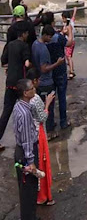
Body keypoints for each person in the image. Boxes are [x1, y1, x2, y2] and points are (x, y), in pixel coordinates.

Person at [26, 68, 56, 206]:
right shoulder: (36, 99)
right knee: (42, 163)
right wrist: (47, 104)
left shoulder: (23, 100)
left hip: (30, 134)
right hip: (39, 133)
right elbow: (43, 117)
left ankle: (38, 194)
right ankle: (44, 195)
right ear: (34, 81)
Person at [0, 21, 31, 151]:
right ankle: (25, 138)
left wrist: (11, 66)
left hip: (9, 83)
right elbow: (27, 63)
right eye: (27, 33)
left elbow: (3, 62)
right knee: (25, 110)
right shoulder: (24, 46)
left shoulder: (10, 45)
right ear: (23, 34)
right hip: (21, 84)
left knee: (6, 112)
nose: (28, 35)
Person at [12, 78, 40, 220]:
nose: (34, 90)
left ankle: (29, 217)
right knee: (29, 189)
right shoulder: (25, 114)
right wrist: (31, 162)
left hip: (20, 151)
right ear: (25, 93)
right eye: (31, 89)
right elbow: (27, 139)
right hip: (26, 153)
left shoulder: (19, 106)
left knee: (25, 189)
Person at [32, 25, 64, 137]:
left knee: (40, 107)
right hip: (46, 82)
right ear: (45, 35)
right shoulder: (43, 49)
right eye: (49, 37)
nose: (50, 39)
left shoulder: (35, 44)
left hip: (39, 81)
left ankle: (44, 128)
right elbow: (44, 68)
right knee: (48, 106)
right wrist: (57, 63)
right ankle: (49, 131)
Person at [61, 8, 76, 80]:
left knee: (68, 56)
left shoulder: (67, 26)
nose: (62, 20)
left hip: (68, 42)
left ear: (65, 18)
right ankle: (71, 67)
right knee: (69, 56)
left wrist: (63, 32)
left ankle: (71, 71)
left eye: (62, 18)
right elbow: (73, 17)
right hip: (73, 41)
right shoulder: (72, 22)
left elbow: (66, 33)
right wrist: (75, 10)